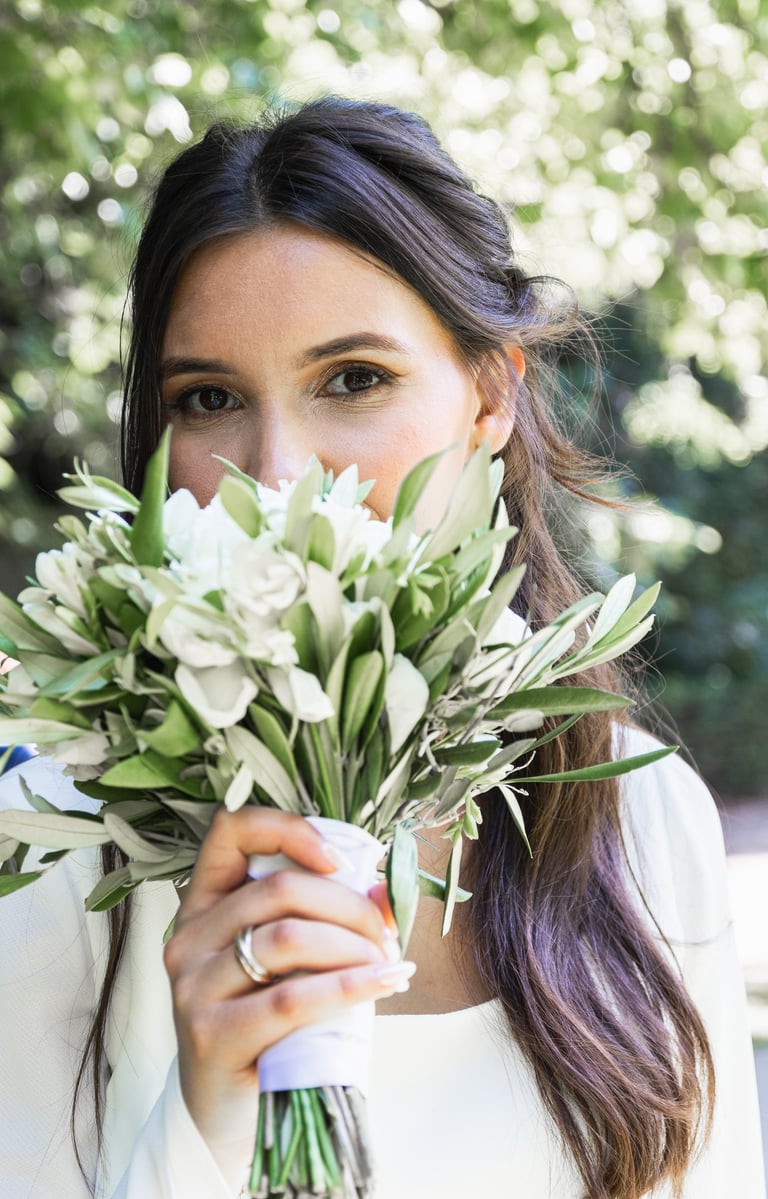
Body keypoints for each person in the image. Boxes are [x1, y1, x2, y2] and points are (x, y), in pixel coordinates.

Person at [0, 97, 764, 1199]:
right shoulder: (65, 842)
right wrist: (207, 1113)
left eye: (353, 379)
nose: (276, 474)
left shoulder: (646, 819)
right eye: (208, 398)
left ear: (491, 396)